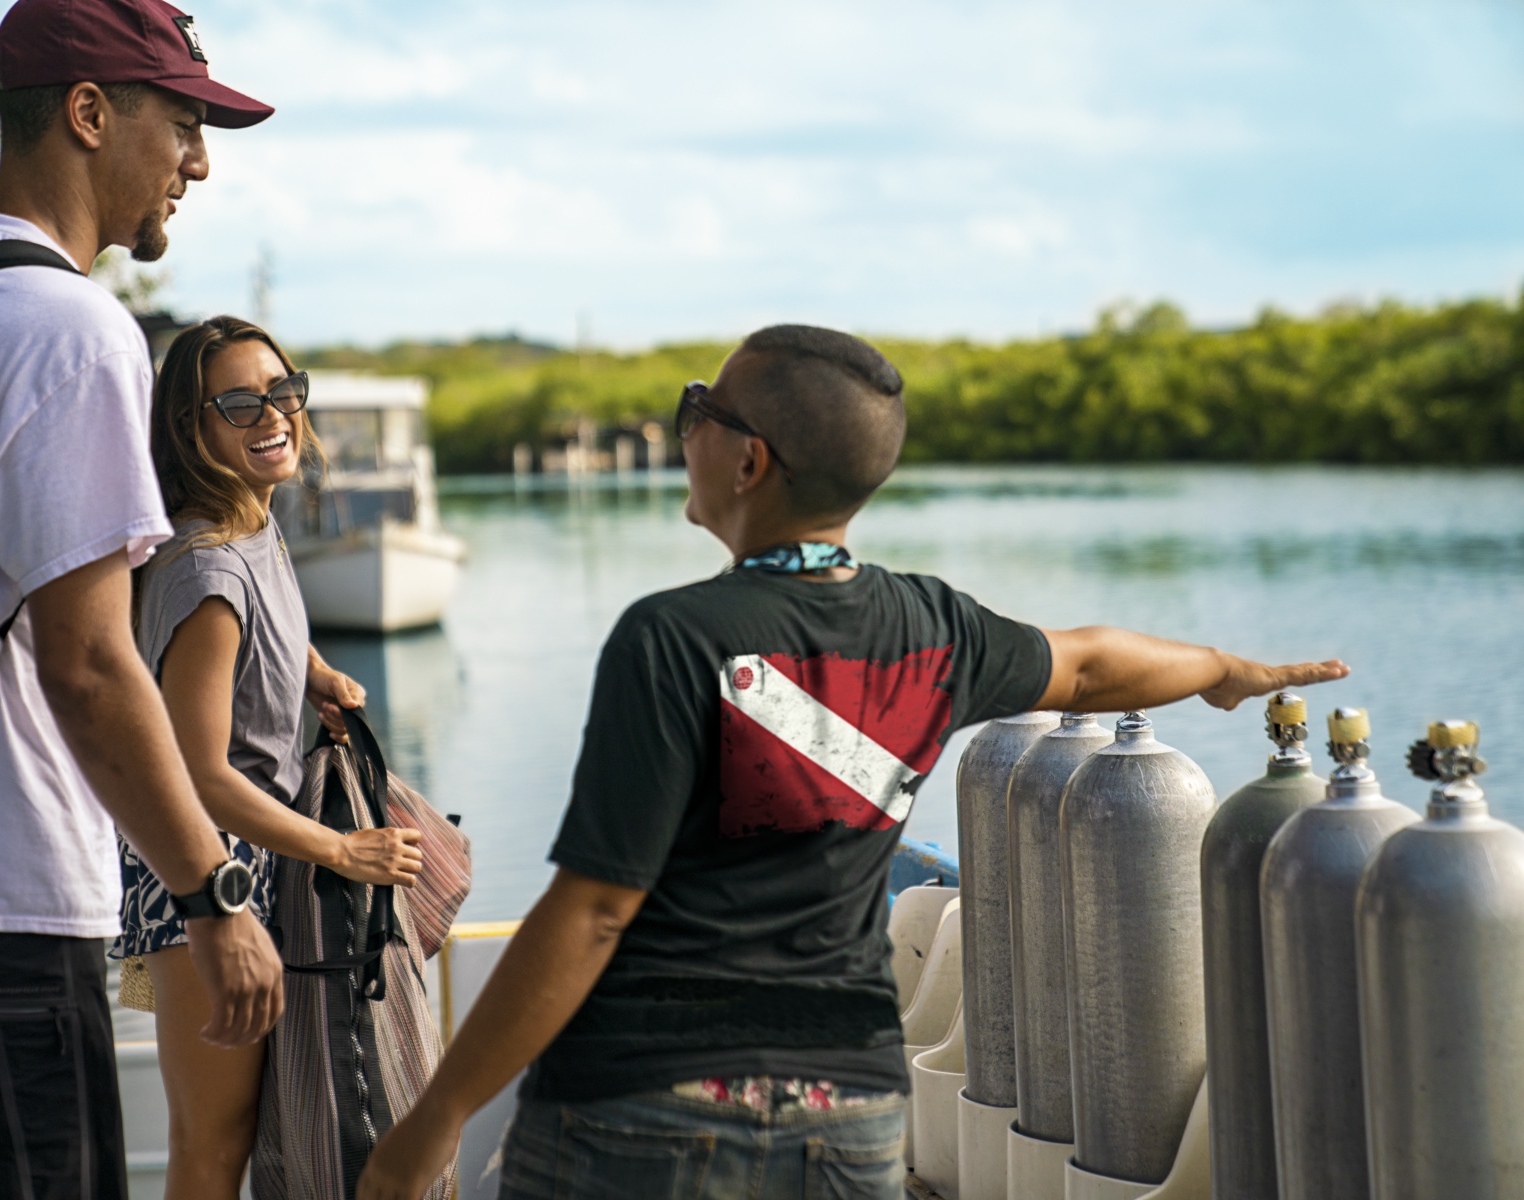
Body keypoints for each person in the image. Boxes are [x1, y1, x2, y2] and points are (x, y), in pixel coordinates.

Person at [356, 324, 1349, 1200]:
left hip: (645, 1106)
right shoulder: (935, 628)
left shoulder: (672, 638)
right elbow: (1090, 665)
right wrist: (1221, 669)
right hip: (850, 1113)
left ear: (750, 461)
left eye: (698, 409)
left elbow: (595, 911)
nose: (683, 428)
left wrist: (438, 1115)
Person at [0, 4, 288, 1197]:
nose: (197, 162)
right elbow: (86, 666)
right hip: (2, 904)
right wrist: (214, 894)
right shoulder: (72, 329)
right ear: (87, 113)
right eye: (181, 123)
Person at [117, 316, 423, 1200]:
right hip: (207, 874)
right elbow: (199, 773)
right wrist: (342, 850)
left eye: (284, 391)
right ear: (191, 429)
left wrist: (312, 672)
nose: (274, 415)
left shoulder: (255, 522)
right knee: (214, 1143)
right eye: (241, 404)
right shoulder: (206, 571)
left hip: (256, 860)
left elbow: (266, 626)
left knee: (250, 1131)